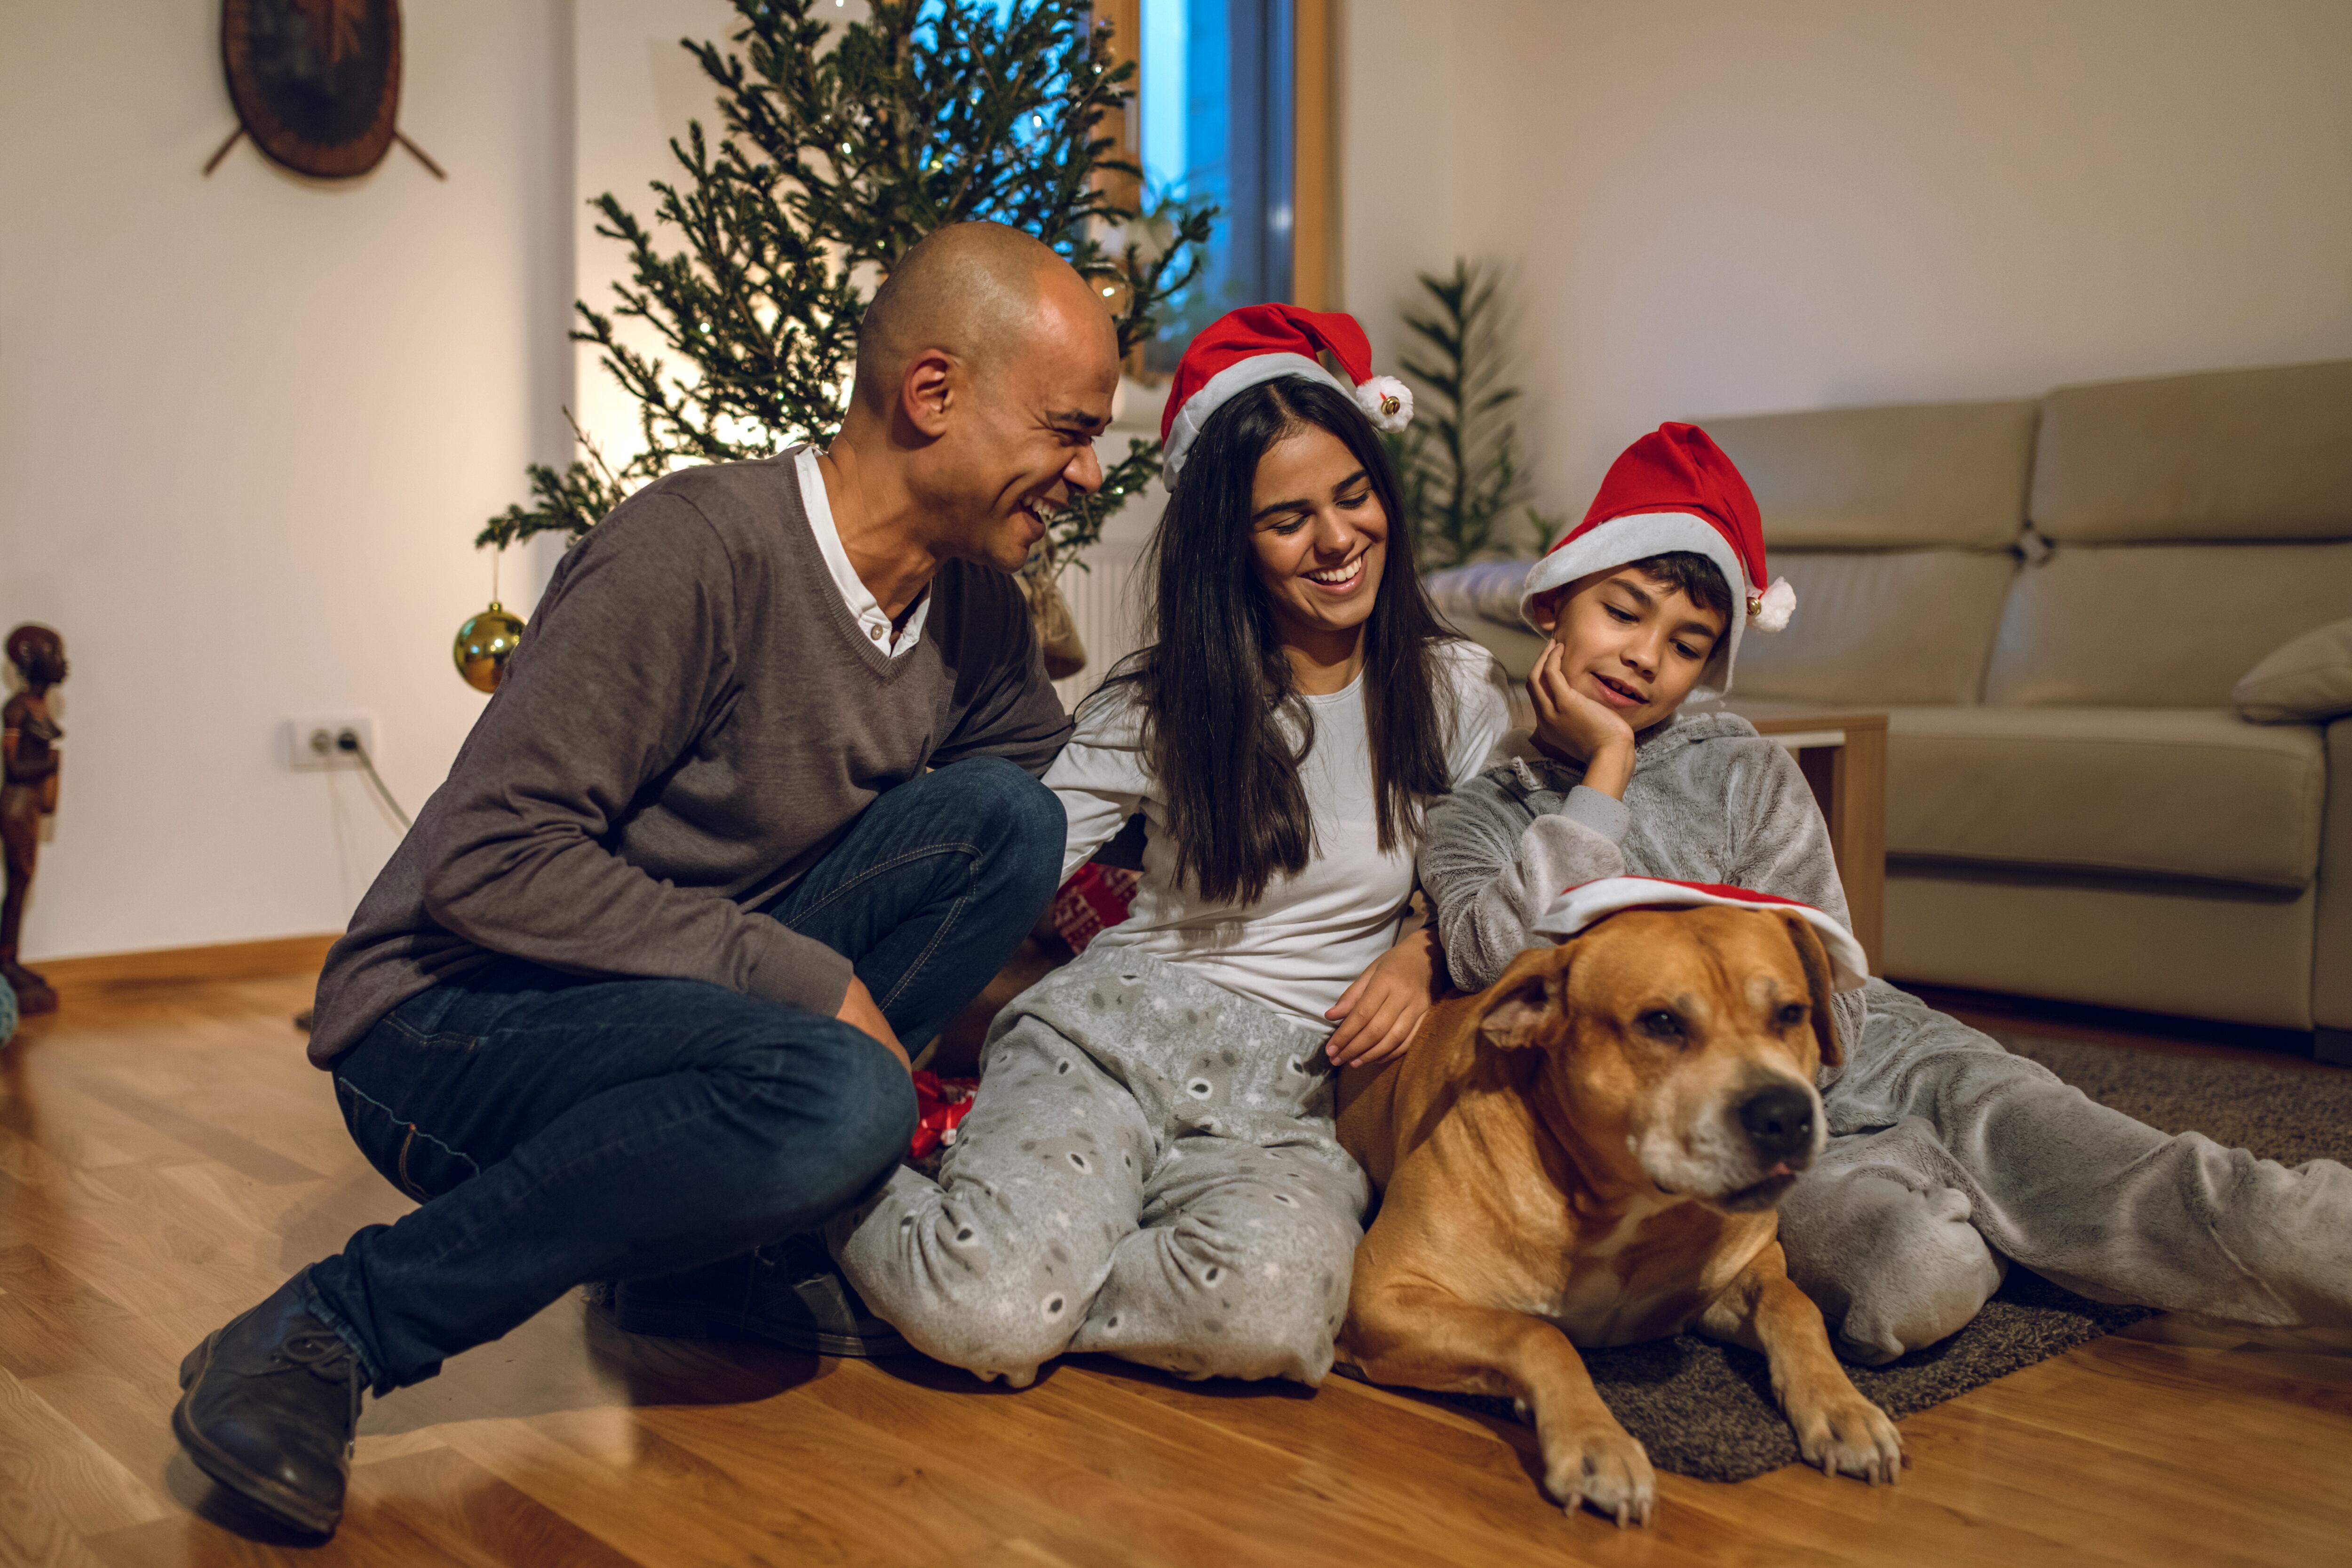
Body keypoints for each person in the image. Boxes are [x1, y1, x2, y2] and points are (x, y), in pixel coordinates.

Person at [170, 222, 1121, 1537]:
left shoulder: (970, 614)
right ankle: (329, 1326)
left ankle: (702, 1262)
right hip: (451, 1012)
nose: (1085, 470)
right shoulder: (695, 553)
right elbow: (490, 864)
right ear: (935, 393)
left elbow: (1041, 809)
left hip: (669, 1000)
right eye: (1069, 428)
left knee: (1004, 820)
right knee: (841, 1086)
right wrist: (803, 977)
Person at [1419, 422, 2352, 1365]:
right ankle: (1978, 1207)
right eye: (1621, 613)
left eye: (1687, 643)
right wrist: (1604, 775)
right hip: (1723, 1139)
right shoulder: (1480, 813)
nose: (1644, 657)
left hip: (1880, 1056)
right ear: (1553, 604)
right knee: (1905, 1282)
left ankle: (2077, 1197)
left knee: (2150, 1180)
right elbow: (1490, 967)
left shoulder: (1746, 768)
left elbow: (1837, 994)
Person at [833, 306, 1512, 1389]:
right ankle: (836, 1218)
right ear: (1227, 547)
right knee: (991, 1314)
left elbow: (1487, 868)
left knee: (1279, 1316)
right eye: (1286, 519)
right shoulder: (1160, 700)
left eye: (1353, 495)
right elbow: (1019, 860)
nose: (1337, 539)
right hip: (1110, 1043)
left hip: (1290, 1099)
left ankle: (1010, 1272)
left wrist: (1419, 954)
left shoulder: (1458, 693)